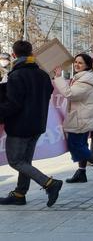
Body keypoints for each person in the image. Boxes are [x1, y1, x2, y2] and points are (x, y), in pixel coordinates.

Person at [0, 41, 62, 207]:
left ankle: (49, 183)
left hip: (20, 126)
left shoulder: (16, 76)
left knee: (16, 161)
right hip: (37, 124)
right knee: (25, 162)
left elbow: (14, 104)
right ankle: (20, 193)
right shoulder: (42, 74)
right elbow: (47, 93)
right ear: (31, 53)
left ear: (14, 55)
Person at [53, 54, 93, 183]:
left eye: (80, 63)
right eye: (75, 62)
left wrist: (58, 78)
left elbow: (70, 94)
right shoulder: (85, 77)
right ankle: (81, 173)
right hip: (84, 116)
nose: (76, 65)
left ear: (88, 65)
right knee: (82, 145)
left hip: (81, 118)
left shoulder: (86, 80)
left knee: (76, 146)